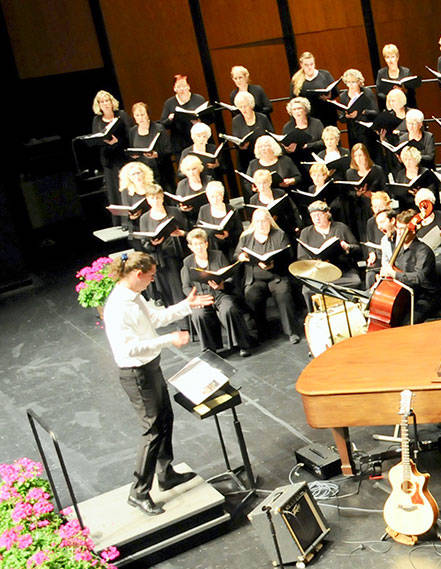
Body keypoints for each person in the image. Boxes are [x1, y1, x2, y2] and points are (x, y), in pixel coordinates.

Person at [102, 252, 213, 515]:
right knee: (151, 430)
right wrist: (168, 340)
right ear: (138, 275)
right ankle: (138, 491)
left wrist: (188, 305)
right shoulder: (118, 306)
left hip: (150, 367)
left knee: (165, 418)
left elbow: (156, 319)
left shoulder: (134, 296)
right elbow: (130, 348)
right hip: (136, 373)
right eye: (151, 276)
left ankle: (165, 474)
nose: (153, 280)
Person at [181, 229, 255, 357]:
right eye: (195, 245)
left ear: (206, 244)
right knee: (198, 314)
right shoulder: (187, 262)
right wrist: (195, 299)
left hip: (220, 294)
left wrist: (222, 284)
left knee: (229, 308)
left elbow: (229, 276)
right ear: (190, 247)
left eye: (201, 243)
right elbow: (186, 286)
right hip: (202, 297)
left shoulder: (218, 255)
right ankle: (210, 350)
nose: (199, 247)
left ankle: (242, 345)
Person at [237, 208, 301, 344]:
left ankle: (291, 332)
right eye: (258, 221)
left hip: (276, 276)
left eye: (264, 221)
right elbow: (236, 254)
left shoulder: (279, 234)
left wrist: (274, 263)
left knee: (283, 293)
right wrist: (241, 256)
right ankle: (261, 331)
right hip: (255, 279)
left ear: (270, 221)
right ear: (253, 223)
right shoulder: (246, 237)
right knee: (251, 295)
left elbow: (288, 256)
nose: (261, 224)